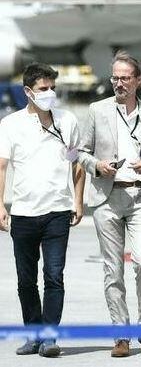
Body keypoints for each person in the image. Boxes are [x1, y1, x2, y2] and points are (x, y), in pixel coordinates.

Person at [78, 52, 141, 358]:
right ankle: (121, 335)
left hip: (140, 195)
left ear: (138, 80)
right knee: (112, 270)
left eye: (124, 78)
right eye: (115, 78)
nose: (118, 83)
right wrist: (97, 165)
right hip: (107, 197)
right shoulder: (96, 110)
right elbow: (77, 152)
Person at [0, 63, 85, 358]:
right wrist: (0, 205)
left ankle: (49, 337)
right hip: (23, 211)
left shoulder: (68, 121)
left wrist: (78, 200)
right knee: (26, 280)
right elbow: (1, 166)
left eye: (52, 88)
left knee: (53, 275)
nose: (49, 94)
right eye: (43, 89)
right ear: (28, 92)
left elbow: (77, 162)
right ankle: (33, 335)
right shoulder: (10, 124)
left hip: (57, 211)